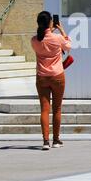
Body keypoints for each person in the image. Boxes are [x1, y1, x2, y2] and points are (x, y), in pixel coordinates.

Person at [31, 11, 71, 150]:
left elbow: (43, 39)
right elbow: (68, 46)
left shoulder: (34, 40)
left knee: (44, 109)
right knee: (57, 108)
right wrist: (60, 29)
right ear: (50, 22)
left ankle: (45, 141)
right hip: (57, 76)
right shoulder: (57, 38)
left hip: (42, 77)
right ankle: (56, 140)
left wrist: (49, 30)